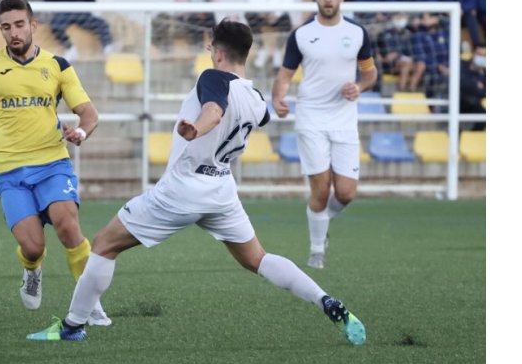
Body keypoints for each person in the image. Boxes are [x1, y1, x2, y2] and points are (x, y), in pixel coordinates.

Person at [25, 19, 366, 345]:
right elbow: (261, 115)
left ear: (217, 52)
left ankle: (73, 326)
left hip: (184, 188)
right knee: (257, 259)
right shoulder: (257, 99)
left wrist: (197, 128)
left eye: (211, 48)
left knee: (103, 245)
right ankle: (325, 301)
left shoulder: (213, 76)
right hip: (221, 191)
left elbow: (214, 110)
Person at [0, 0, 111, 325]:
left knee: (68, 225)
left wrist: (80, 132)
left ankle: (89, 301)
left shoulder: (58, 65)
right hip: (9, 167)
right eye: (6, 27)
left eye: (19, 24)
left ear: (33, 26)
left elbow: (89, 115)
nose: (13, 32)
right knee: (33, 246)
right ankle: (32, 269)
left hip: (53, 161)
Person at [271, 0, 377, 270]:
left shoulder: (357, 33)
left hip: (344, 119)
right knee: (321, 188)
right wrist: (278, 97)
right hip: (311, 117)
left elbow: (370, 73)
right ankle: (317, 251)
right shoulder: (302, 35)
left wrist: (358, 86)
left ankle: (322, 222)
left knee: (346, 192)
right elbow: (285, 75)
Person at [375, 12, 432, 93]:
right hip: (391, 65)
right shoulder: (384, 34)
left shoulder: (409, 33)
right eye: (398, 16)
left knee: (421, 65)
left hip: (407, 61)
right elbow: (379, 51)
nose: (400, 19)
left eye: (402, 17)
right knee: (406, 64)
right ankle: (402, 90)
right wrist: (384, 58)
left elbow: (412, 51)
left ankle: (412, 88)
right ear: (393, 18)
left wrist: (399, 54)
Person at [459, 44, 486, 131]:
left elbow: (484, 92)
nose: (482, 58)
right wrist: (477, 85)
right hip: (459, 101)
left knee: (484, 116)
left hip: (475, 103)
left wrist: (481, 75)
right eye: (479, 54)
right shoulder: (461, 65)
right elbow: (462, 84)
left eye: (484, 56)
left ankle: (471, 136)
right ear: (473, 54)